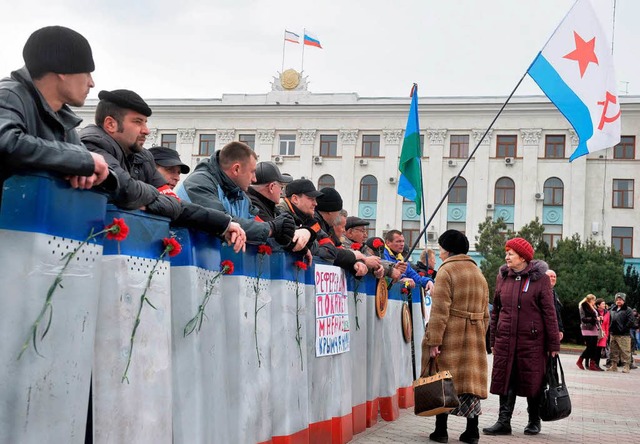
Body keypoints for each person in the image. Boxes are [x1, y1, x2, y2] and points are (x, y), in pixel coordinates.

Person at [80, 89, 246, 252]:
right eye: (138, 122)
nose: (146, 130)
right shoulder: (93, 144)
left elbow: (176, 205)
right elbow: (125, 190)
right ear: (111, 124)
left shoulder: (143, 157)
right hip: (88, 248)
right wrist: (153, 195)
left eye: (145, 122)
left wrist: (223, 223)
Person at [0, 26, 110, 196]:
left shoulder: (65, 122)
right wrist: (80, 160)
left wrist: (89, 170)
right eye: (87, 73)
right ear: (63, 69)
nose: (91, 83)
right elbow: (6, 143)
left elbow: (89, 164)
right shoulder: (9, 94)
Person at [483, 237, 560, 437]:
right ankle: (503, 421)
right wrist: (493, 339)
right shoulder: (503, 277)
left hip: (532, 341)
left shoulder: (540, 279)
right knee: (505, 378)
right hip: (506, 338)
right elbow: (496, 310)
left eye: (511, 253)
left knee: (533, 380)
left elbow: (549, 313)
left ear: (523, 257)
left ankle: (534, 420)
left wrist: (553, 344)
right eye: (506, 252)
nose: (506, 256)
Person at [422, 230, 489, 444]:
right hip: (475, 334)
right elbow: (487, 314)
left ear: (448, 249)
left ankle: (440, 431)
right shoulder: (478, 273)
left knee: (444, 379)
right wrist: (479, 333)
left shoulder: (446, 270)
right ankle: (472, 432)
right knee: (470, 383)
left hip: (451, 332)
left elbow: (440, 310)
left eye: (441, 247)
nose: (439, 252)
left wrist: (434, 340)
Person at [176, 141, 295, 245]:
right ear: (236, 169)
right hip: (189, 263)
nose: (254, 179)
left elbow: (258, 224)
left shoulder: (241, 195)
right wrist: (273, 228)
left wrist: (292, 240)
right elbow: (221, 221)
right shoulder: (199, 183)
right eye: (252, 172)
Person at [247, 161, 311, 252]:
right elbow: (281, 234)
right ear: (271, 187)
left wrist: (307, 231)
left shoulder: (270, 206)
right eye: (281, 188)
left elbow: (289, 228)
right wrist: (304, 248)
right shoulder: (252, 204)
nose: (281, 193)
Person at [314, 187, 367, 276]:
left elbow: (336, 249)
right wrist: (353, 256)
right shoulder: (315, 223)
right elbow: (328, 252)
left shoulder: (327, 228)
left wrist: (355, 263)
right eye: (338, 212)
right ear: (330, 211)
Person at [607, 292, 634, 373]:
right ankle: (614, 365)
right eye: (617, 299)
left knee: (625, 351)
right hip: (613, 333)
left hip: (624, 335)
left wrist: (624, 329)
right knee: (613, 350)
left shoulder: (628, 310)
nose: (618, 301)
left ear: (624, 300)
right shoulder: (612, 309)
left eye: (620, 299)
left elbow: (631, 321)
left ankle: (626, 366)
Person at [577, 294, 602, 371]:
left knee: (594, 347)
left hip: (594, 328)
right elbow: (583, 318)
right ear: (590, 300)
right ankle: (580, 360)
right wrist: (594, 319)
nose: (595, 301)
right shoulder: (583, 306)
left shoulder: (593, 307)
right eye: (594, 300)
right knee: (590, 347)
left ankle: (592, 363)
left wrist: (598, 319)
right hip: (587, 328)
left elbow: (595, 317)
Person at [545, 269, 564, 341]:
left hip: (554, 328)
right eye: (550, 276)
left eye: (554, 277)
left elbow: (557, 313)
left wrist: (560, 329)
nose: (553, 278)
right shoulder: (540, 292)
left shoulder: (554, 293)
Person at [595, 298, 610, 369]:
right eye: (603, 304)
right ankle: (589, 363)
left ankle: (597, 364)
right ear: (598, 305)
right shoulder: (594, 311)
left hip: (603, 333)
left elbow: (607, 324)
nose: (604, 305)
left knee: (599, 350)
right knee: (593, 348)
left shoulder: (607, 313)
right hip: (595, 332)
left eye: (604, 304)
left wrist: (607, 334)